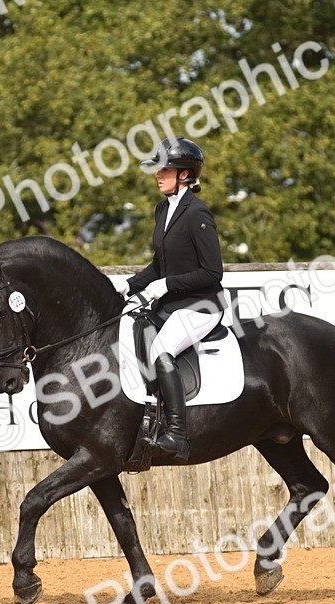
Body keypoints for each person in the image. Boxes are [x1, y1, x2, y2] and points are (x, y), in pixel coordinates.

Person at [123, 136, 226, 463]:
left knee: (160, 349)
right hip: (171, 306)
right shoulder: (162, 209)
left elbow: (212, 273)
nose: (158, 174)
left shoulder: (198, 213)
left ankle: (176, 435)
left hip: (201, 306)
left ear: (185, 174)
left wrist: (167, 285)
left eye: (165, 169)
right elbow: (160, 263)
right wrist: (128, 286)